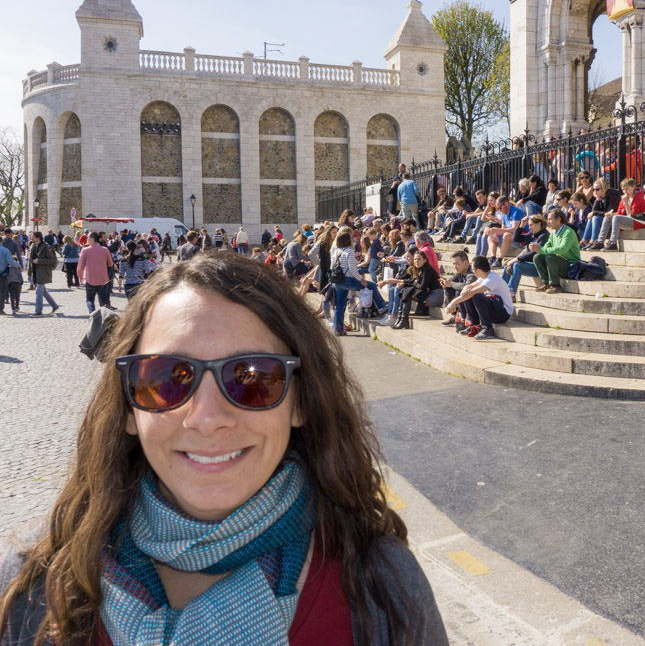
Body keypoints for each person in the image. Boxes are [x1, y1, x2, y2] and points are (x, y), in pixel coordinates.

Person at [0, 252, 447, 645]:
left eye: (252, 376)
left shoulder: (386, 588)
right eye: (165, 379)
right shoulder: (30, 593)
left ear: (301, 402)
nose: (207, 418)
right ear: (127, 410)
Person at [330, 231, 387, 336]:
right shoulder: (350, 251)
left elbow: (332, 267)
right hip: (348, 280)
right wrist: (361, 279)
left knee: (339, 306)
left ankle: (338, 329)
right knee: (372, 285)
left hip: (338, 281)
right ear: (348, 240)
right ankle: (382, 306)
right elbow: (352, 269)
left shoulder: (336, 252)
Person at [444, 255, 513, 340]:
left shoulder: (492, 278)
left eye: (472, 269)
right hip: (496, 307)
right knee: (468, 294)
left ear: (478, 270)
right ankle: (475, 325)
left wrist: (453, 302)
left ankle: (488, 329)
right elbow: (470, 286)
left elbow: (472, 292)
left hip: (503, 313)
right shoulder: (483, 277)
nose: (472, 271)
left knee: (477, 296)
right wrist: (466, 288)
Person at [530, 209, 580, 294]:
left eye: (550, 219)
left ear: (559, 219)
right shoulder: (553, 232)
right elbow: (547, 246)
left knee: (550, 256)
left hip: (572, 266)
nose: (548, 222)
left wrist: (541, 249)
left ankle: (555, 285)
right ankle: (546, 283)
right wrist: (538, 248)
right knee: (537, 257)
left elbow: (562, 249)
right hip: (559, 263)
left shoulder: (568, 232)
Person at [390, 249, 442, 330]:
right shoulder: (419, 268)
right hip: (428, 294)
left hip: (436, 296)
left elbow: (422, 287)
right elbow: (413, 282)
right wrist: (411, 282)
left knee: (408, 290)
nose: (416, 261)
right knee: (405, 290)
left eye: (419, 259)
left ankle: (404, 319)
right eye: (415, 259)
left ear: (425, 260)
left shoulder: (427, 269)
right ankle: (401, 318)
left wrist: (414, 282)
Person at [503, 213, 549, 296]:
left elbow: (533, 254)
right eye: (529, 225)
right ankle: (501, 290)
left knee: (517, 265)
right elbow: (516, 239)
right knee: (507, 265)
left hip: (540, 267)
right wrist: (521, 225)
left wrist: (516, 259)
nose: (530, 227)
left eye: (531, 225)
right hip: (530, 264)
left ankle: (511, 293)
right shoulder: (532, 234)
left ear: (539, 224)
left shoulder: (545, 236)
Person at [603, 178, 645, 251]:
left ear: (633, 187)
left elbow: (633, 216)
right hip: (629, 220)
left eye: (627, 189)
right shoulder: (625, 197)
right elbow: (619, 213)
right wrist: (611, 214)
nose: (625, 191)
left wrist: (626, 204)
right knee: (607, 218)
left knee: (616, 218)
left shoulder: (639, 198)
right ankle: (600, 241)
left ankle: (613, 243)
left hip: (639, 222)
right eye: (623, 189)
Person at [77, 231, 115, 313]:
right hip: (103, 280)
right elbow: (110, 264)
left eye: (88, 238)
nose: (87, 239)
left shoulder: (85, 250)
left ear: (92, 239)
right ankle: (105, 318)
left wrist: (80, 277)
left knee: (90, 300)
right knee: (104, 302)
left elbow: (80, 267)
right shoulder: (105, 250)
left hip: (91, 279)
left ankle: (93, 315)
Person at [439, 250, 477, 329]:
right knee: (448, 288)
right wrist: (446, 282)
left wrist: (451, 284)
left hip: (476, 303)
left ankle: (464, 319)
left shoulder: (472, 272)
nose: (455, 266)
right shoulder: (460, 272)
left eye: (457, 264)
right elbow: (451, 281)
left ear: (465, 262)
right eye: (453, 264)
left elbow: (467, 286)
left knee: (459, 292)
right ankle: (455, 317)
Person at [27, 231, 60, 317]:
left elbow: (51, 260)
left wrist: (39, 261)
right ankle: (54, 306)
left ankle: (38, 311)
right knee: (43, 291)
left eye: (33, 236)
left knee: (38, 291)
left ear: (38, 238)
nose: (31, 238)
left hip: (43, 271)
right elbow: (30, 261)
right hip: (35, 272)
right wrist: (29, 273)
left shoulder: (46, 247)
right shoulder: (33, 246)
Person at [0, 241, 17, 315]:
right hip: (3, 274)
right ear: (1, 241)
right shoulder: (5, 250)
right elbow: (11, 262)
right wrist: (19, 265)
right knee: (2, 292)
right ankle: (0, 309)